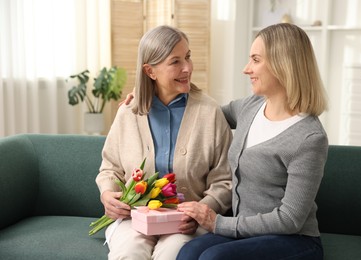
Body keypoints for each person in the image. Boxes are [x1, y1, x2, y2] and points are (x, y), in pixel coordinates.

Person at [175, 23, 329, 260]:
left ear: (282, 64)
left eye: (256, 60)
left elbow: (290, 219)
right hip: (244, 231)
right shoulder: (251, 107)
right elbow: (205, 113)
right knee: (188, 252)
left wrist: (219, 223)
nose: (247, 69)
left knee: (213, 258)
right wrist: (149, 96)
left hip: (293, 240)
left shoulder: (309, 137)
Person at [96, 25, 232, 260]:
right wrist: (108, 194)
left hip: (186, 223)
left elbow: (224, 180)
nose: (187, 68)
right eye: (175, 62)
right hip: (134, 217)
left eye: (188, 57)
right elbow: (110, 168)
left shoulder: (209, 112)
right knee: (128, 254)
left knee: (171, 255)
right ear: (150, 71)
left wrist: (201, 210)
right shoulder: (128, 112)